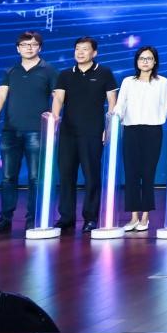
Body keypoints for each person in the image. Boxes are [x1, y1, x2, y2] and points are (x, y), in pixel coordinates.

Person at [0, 30, 58, 232]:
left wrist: (54, 117)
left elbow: (58, 96)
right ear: (18, 48)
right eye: (25, 45)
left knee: (35, 178)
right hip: (11, 131)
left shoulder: (49, 70)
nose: (29, 48)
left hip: (37, 131)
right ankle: (5, 218)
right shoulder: (11, 71)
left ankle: (33, 218)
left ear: (40, 48)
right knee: (8, 177)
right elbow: (1, 95)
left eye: (33, 44)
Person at [52, 37, 118, 233]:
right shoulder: (65, 74)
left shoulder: (104, 72)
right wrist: (54, 121)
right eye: (77, 49)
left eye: (85, 49)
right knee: (66, 175)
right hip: (68, 133)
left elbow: (112, 102)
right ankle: (66, 217)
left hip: (92, 132)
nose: (80, 53)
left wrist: (109, 127)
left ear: (94, 53)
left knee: (91, 176)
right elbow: (58, 99)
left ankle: (90, 218)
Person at [116, 45, 167, 232]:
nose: (145, 61)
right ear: (137, 61)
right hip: (131, 129)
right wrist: (115, 118)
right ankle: (133, 217)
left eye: (149, 58)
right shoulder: (128, 82)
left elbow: (165, 106)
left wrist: (155, 120)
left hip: (152, 130)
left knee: (148, 173)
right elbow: (120, 105)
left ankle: (145, 217)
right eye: (141, 58)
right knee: (131, 174)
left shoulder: (162, 82)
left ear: (155, 61)